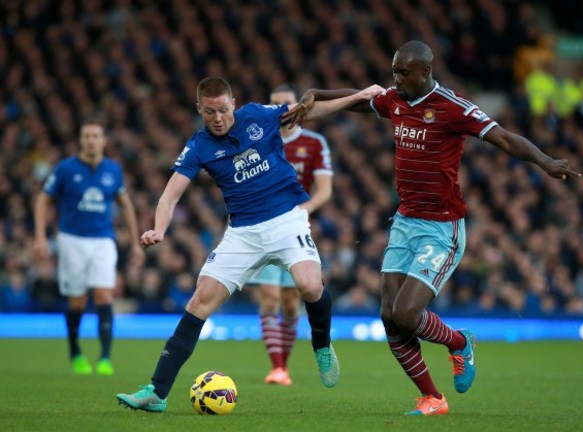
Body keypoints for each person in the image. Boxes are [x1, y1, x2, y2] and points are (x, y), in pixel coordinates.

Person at [287, 40, 581, 416]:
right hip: (405, 222)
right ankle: (433, 398)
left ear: (425, 72)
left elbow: (504, 137)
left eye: (403, 73)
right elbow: (362, 99)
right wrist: (319, 94)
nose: (396, 80)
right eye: (394, 72)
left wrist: (545, 161)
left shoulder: (452, 108)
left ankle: (459, 343)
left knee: (407, 314)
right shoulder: (396, 99)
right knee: (389, 318)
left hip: (442, 228)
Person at [116, 77, 383, 412]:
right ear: (199, 109)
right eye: (209, 111)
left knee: (309, 285)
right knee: (199, 302)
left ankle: (322, 344)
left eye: (223, 110)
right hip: (243, 233)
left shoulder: (258, 115)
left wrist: (359, 96)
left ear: (234, 103)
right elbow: (170, 196)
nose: (217, 118)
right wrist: (158, 229)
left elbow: (309, 111)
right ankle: (157, 392)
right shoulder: (198, 146)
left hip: (287, 218)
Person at [33, 120, 145, 376]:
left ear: (104, 140)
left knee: (105, 296)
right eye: (87, 136)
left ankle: (105, 358)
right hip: (72, 239)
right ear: (81, 140)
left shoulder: (113, 170)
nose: (91, 140)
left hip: (103, 239)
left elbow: (125, 203)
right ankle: (75, 351)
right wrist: (40, 236)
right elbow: (43, 199)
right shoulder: (65, 168)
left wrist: (135, 238)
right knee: (77, 301)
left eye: (96, 136)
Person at [248, 84, 333, 386]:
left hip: (296, 228)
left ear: (297, 106)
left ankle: (286, 362)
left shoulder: (313, 143)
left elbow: (324, 190)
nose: (281, 110)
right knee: (269, 297)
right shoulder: (259, 141)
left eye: (286, 104)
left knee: (289, 302)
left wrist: (302, 211)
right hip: (264, 225)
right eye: (275, 105)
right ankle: (278, 367)